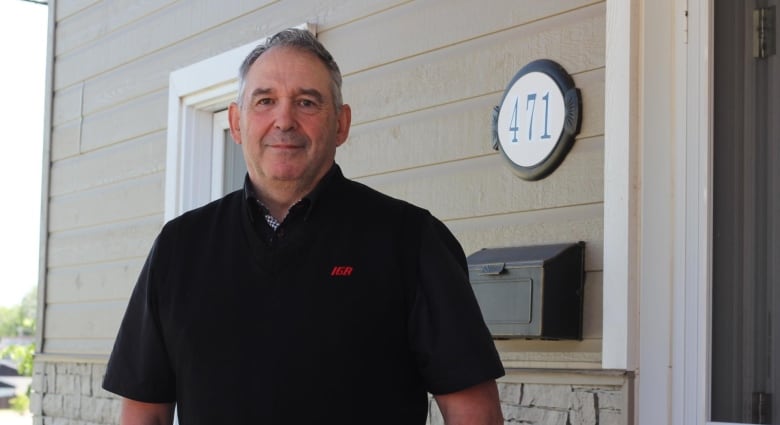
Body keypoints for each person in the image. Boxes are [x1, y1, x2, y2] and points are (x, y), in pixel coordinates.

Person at [103, 28, 505, 425]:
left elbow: (475, 413)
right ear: (236, 122)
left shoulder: (410, 240)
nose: (284, 120)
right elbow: (144, 412)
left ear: (341, 124)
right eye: (265, 101)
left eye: (307, 102)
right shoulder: (180, 248)